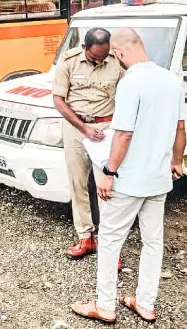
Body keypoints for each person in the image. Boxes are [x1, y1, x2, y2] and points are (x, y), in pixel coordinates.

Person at [72, 27, 187, 324]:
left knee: (111, 240)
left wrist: (108, 172)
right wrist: (177, 161)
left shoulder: (131, 83)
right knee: (152, 241)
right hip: (158, 178)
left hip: (129, 180)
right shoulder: (172, 80)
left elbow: (122, 134)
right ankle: (145, 303)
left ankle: (105, 305)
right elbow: (180, 129)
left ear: (119, 53)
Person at [52, 28, 122, 260]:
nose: (99, 61)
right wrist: (84, 128)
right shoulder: (69, 61)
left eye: (103, 57)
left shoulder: (117, 62)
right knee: (78, 183)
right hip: (77, 127)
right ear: (84, 48)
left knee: (107, 186)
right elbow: (58, 100)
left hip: (106, 128)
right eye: (94, 58)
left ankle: (109, 243)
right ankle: (85, 237)